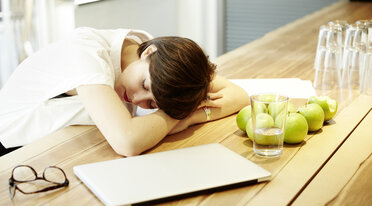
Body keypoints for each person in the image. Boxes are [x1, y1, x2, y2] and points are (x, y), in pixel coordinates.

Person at [0, 27, 249, 157]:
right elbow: (127, 142)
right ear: (149, 53)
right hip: (15, 152)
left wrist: (192, 115)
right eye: (144, 86)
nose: (138, 100)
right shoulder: (88, 55)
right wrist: (177, 115)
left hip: (64, 144)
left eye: (152, 104)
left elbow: (238, 95)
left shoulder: (158, 61)